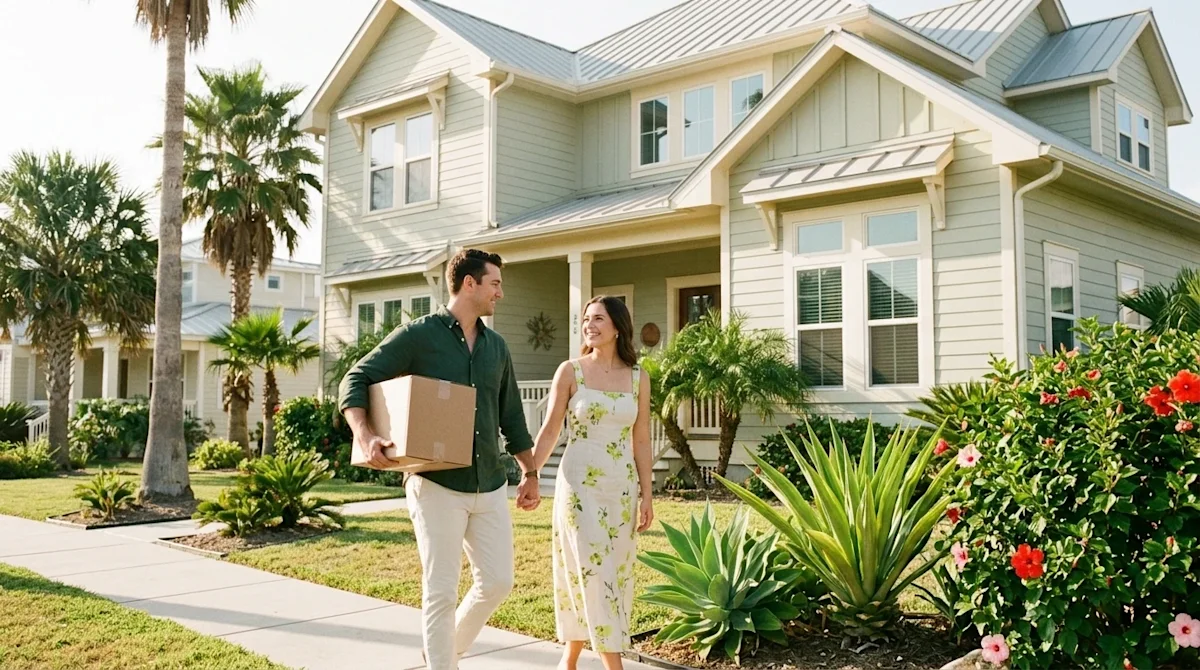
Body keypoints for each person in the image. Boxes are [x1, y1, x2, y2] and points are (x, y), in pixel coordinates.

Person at [338, 249, 541, 670]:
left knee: (498, 582)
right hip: (436, 484)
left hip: (488, 482)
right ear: (470, 283)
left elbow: (512, 416)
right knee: (441, 590)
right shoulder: (419, 335)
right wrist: (366, 433)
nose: (500, 293)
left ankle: (445, 649)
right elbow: (355, 378)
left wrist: (530, 470)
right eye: (495, 283)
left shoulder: (496, 347)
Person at [529, 295, 655, 670]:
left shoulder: (638, 377)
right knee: (591, 565)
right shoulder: (571, 371)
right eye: (586, 319)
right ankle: (612, 664)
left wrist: (647, 495)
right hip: (579, 484)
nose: (590, 325)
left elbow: (642, 439)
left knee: (613, 570)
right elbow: (550, 429)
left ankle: (568, 660)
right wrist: (530, 474)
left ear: (618, 327)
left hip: (621, 487)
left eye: (598, 319)